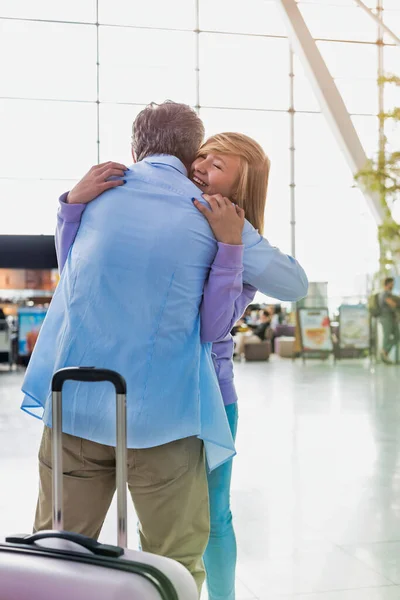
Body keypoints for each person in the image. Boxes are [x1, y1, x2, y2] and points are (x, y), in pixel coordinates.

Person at [22, 102, 308, 595]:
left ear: (137, 146)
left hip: (78, 405)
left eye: (217, 165)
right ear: (189, 152)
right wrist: (232, 245)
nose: (203, 169)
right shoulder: (206, 220)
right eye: (204, 158)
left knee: (58, 550)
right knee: (173, 559)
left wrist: (70, 203)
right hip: (168, 414)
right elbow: (214, 323)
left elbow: (71, 271)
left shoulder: (98, 196)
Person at [379, 277, 399, 364]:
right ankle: (384, 352)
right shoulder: (385, 294)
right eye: (392, 283)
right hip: (386, 317)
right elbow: (392, 304)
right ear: (387, 284)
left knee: (398, 335)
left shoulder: (390, 294)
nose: (393, 285)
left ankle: (385, 351)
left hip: (392, 318)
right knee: (386, 336)